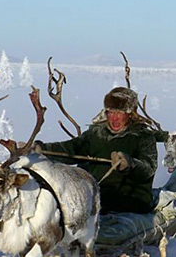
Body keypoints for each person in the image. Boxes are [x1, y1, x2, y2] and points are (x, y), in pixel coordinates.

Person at [37, 87, 164, 215]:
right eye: (111, 112)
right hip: (97, 198)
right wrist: (42, 150)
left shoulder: (143, 136)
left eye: (120, 113)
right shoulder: (96, 133)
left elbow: (148, 170)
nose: (115, 118)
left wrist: (129, 164)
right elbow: (71, 148)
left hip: (131, 201)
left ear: (130, 114)